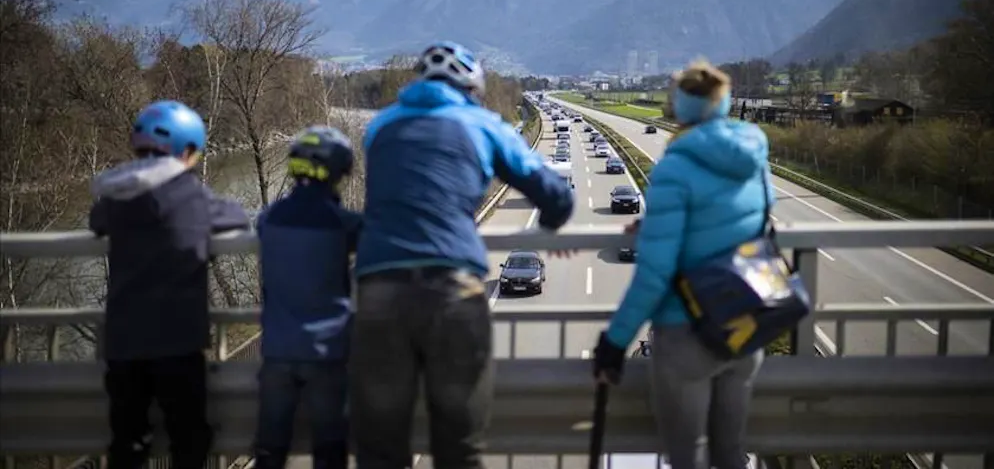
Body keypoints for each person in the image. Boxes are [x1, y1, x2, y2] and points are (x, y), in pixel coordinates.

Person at [351, 41, 575, 469]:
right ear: (472, 87)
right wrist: (547, 227)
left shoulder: (380, 127)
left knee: (380, 448)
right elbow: (555, 197)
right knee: (460, 446)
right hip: (451, 290)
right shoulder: (481, 124)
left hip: (379, 289)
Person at [592, 60, 773, 469]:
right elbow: (757, 219)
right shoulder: (754, 154)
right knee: (731, 454)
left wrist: (615, 342)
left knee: (685, 456)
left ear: (681, 106)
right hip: (745, 321)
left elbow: (654, 274)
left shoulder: (675, 166)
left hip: (687, 333)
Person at [89, 100, 250, 469]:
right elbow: (236, 216)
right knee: (189, 437)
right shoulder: (192, 195)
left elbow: (96, 220)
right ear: (188, 151)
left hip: (124, 342)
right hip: (178, 343)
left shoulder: (117, 194)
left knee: (128, 441)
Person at [252, 125, 360, 469]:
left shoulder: (268, 219)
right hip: (327, 353)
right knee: (329, 451)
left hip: (277, 352)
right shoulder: (343, 222)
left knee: (270, 451)